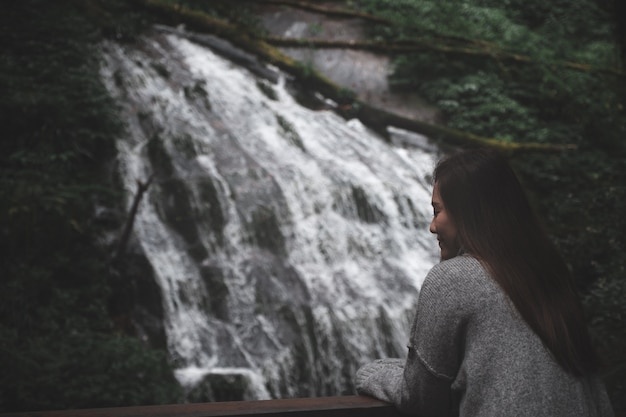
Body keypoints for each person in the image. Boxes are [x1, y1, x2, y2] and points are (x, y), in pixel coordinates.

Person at [355, 148, 614, 416]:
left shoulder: (453, 279)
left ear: (467, 213)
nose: (432, 226)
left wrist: (372, 373)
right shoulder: (547, 273)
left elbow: (421, 399)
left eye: (437, 210)